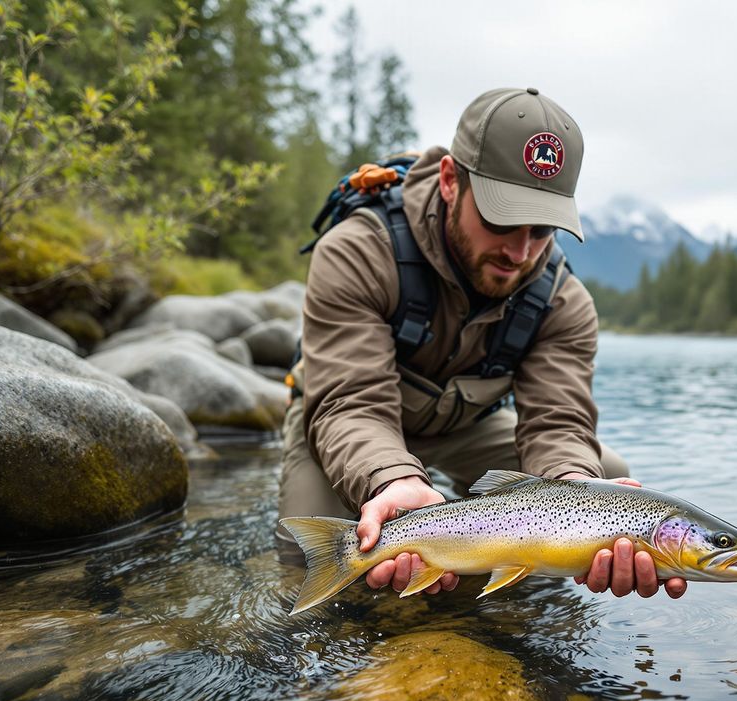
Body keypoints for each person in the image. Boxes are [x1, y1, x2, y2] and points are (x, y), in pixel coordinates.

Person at [277, 86, 686, 600]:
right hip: (346, 420)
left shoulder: (563, 301)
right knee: (312, 558)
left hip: (463, 424)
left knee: (606, 475)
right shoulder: (359, 251)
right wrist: (389, 479)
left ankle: (482, 556)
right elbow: (349, 402)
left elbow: (557, 422)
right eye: (503, 219)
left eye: (542, 229)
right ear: (451, 182)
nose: (520, 251)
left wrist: (583, 500)